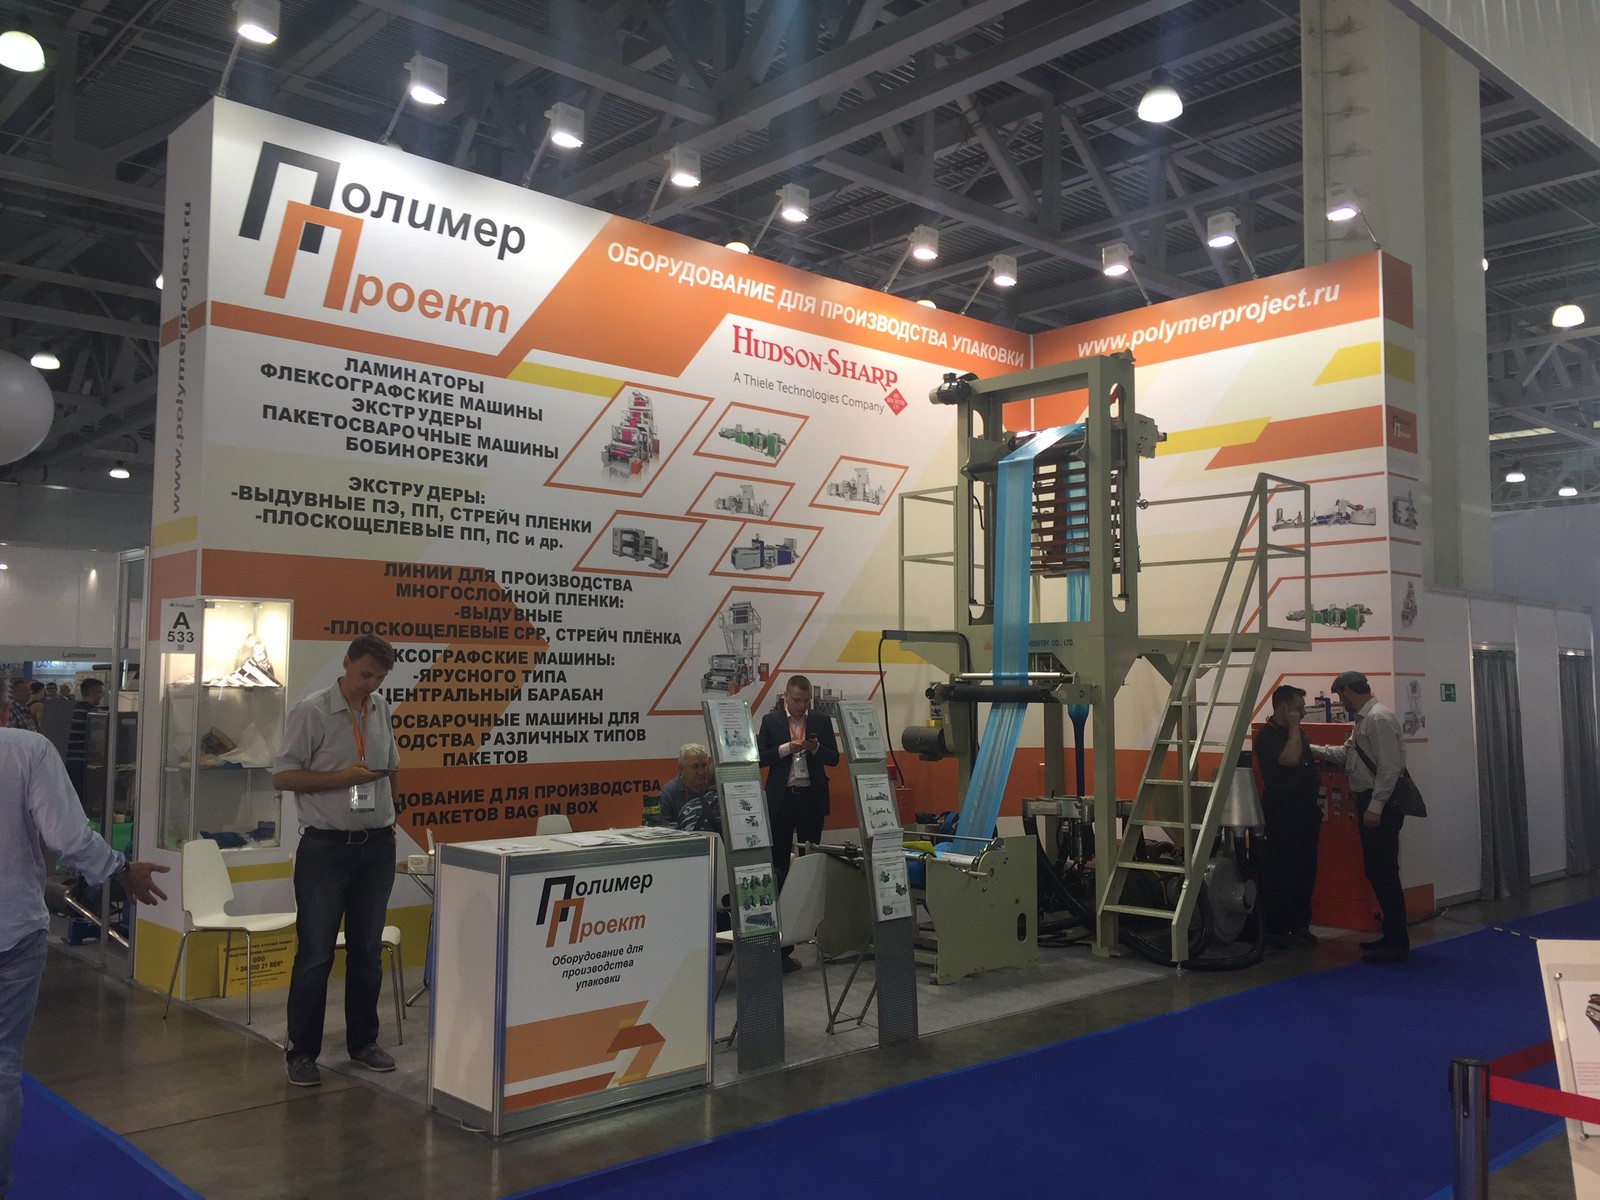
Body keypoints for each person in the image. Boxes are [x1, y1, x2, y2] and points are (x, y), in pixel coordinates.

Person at [0, 729, 168, 1198]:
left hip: (15, 928)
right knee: (2, 1068)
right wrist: (120, 868)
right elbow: (68, 837)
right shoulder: (28, 750)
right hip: (12, 929)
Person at [271, 635, 402, 1087]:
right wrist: (340, 779)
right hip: (325, 850)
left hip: (376, 847)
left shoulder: (380, 708)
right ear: (346, 664)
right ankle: (302, 1052)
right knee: (315, 954)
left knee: (367, 951)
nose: (372, 683)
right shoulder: (311, 711)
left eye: (380, 677)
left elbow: (391, 766)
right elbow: (282, 777)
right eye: (366, 674)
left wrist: (392, 814)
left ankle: (363, 1042)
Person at [1311, 671, 1410, 964]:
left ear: (1347, 691)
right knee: (1378, 871)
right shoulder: (1367, 720)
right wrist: (1311, 749)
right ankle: (1391, 935)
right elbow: (1347, 754)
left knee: (1384, 873)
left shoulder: (1377, 719)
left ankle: (1397, 942)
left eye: (1340, 695)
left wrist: (1375, 807)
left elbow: (1389, 768)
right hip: (1373, 802)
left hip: (1380, 805)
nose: (1341, 701)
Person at [1253, 685, 1322, 950]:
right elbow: (1291, 759)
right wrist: (1293, 729)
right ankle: (1279, 929)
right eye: (1299, 708)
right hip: (1282, 813)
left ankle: (1300, 925)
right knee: (1283, 872)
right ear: (1284, 708)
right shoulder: (1266, 737)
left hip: (1305, 813)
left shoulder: (1298, 734)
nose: (1303, 712)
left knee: (1306, 870)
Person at [756, 675, 839, 884]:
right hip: (781, 799)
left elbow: (834, 759)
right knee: (779, 858)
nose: (801, 705)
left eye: (806, 700)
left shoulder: (820, 720)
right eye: (796, 700)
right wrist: (785, 749)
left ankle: (809, 901)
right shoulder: (771, 721)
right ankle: (781, 898)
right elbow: (759, 759)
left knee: (810, 858)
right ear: (786, 696)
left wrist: (816, 748)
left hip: (811, 798)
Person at [658, 743, 721, 833]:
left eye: (704, 766)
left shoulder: (713, 789)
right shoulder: (668, 794)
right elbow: (662, 828)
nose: (701, 772)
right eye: (695, 767)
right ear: (681, 768)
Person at [65, 678, 104, 810]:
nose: (101, 696)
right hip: (84, 763)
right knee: (83, 799)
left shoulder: (72, 709)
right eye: (100, 692)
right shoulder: (93, 713)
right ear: (93, 693)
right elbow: (98, 740)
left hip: (67, 761)